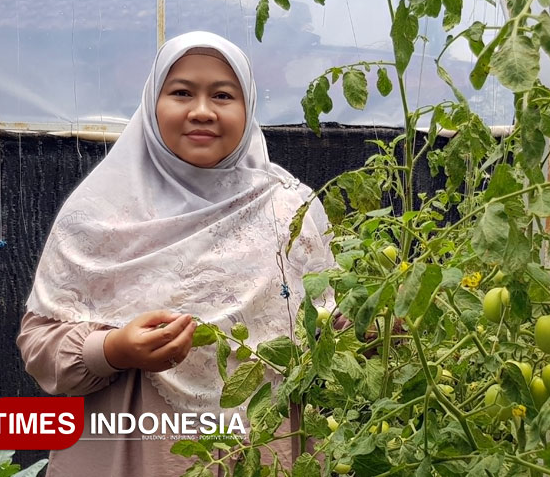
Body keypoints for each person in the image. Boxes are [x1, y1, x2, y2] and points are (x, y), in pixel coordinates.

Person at [17, 31, 333, 476]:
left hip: (265, 447)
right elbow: (40, 346)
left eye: (223, 95)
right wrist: (114, 349)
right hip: (136, 448)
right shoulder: (102, 214)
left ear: (248, 109)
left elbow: (328, 324)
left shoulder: (290, 209)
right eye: (182, 92)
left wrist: (379, 324)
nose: (201, 111)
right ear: (152, 104)